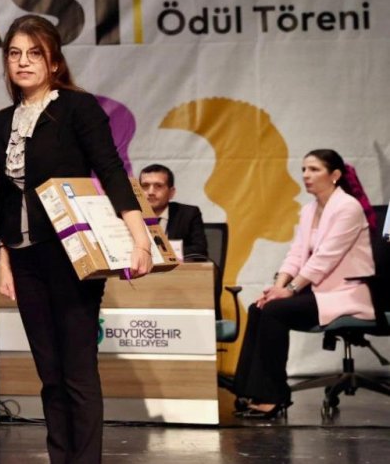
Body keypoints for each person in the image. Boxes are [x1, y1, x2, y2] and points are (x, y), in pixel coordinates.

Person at [0, 14, 152, 464]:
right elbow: (1, 196)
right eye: (14, 54)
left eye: (34, 53)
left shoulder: (77, 108)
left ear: (54, 60)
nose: (23, 62)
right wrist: (3, 257)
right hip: (24, 255)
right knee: (50, 374)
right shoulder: (2, 120)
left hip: (72, 254)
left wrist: (139, 235)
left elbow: (111, 169)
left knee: (77, 371)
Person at [232, 149, 375, 419]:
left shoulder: (348, 207)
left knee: (275, 311)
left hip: (345, 292)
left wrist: (289, 291)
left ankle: (273, 397)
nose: (306, 175)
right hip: (317, 290)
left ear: (335, 175)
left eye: (314, 169)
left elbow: (325, 258)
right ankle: (248, 391)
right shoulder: (308, 210)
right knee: (259, 307)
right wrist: (278, 287)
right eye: (304, 170)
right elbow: (296, 254)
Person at [138, 164, 208, 261]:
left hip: (177, 269)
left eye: (158, 186)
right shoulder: (128, 215)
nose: (150, 192)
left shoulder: (188, 214)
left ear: (171, 192)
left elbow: (200, 251)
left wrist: (162, 252)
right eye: (145, 186)